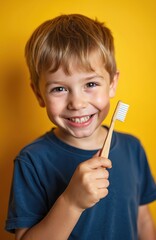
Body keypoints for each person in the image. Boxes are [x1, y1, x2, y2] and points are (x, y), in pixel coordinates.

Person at [5, 14, 156, 240]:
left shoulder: (132, 149)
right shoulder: (32, 161)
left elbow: (142, 219)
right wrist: (71, 202)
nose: (77, 103)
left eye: (91, 84)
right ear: (39, 94)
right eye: (59, 89)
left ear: (112, 83)